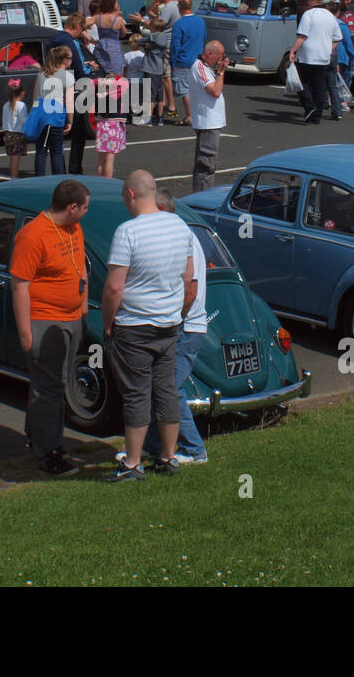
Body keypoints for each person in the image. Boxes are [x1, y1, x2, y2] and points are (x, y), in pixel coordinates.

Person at [102, 170, 195, 482]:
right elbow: (187, 278)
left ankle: (132, 462)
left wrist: (108, 323)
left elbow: (114, 288)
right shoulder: (179, 225)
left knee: (137, 394)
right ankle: (169, 457)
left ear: (130, 195)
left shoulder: (127, 232)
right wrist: (176, 311)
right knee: (166, 390)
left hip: (134, 325)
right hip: (169, 325)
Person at [10, 179, 91, 477]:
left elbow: (79, 262)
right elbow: (19, 285)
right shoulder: (33, 236)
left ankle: (37, 438)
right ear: (72, 207)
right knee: (51, 389)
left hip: (71, 318)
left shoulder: (74, 227)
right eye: (84, 207)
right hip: (45, 320)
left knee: (55, 384)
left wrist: (82, 304)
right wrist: (26, 333)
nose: (86, 212)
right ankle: (49, 452)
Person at [142, 188, 208, 465]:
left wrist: (172, 319)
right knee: (161, 387)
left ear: (162, 210)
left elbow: (189, 290)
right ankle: (154, 447)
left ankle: (194, 449)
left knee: (169, 388)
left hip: (186, 326)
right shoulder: (181, 234)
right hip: (185, 325)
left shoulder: (181, 238)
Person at [49, 15, 97, 174]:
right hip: (75, 89)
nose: (81, 33)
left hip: (55, 87)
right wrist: (91, 68)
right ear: (76, 27)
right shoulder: (72, 42)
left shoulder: (53, 39)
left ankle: (59, 169)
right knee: (79, 132)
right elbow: (80, 70)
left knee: (58, 134)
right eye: (82, 29)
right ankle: (75, 167)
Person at [288, 0, 340, 125]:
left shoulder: (308, 14)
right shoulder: (330, 16)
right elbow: (337, 38)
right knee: (319, 86)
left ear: (311, 0)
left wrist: (292, 51)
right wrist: (328, 49)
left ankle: (310, 106)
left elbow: (302, 35)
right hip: (323, 56)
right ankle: (317, 115)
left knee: (300, 82)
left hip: (307, 55)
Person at [189, 40, 228, 192]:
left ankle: (203, 194)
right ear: (209, 54)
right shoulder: (199, 67)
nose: (220, 60)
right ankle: (201, 197)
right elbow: (215, 91)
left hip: (211, 122)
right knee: (206, 165)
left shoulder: (205, 67)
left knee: (208, 164)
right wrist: (221, 72)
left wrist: (219, 71)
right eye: (219, 56)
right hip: (207, 122)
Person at [33, 44, 74, 176]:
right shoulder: (67, 76)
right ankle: (57, 179)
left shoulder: (42, 73)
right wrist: (70, 121)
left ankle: (39, 178)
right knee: (56, 151)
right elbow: (69, 101)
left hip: (40, 113)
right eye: (70, 58)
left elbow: (35, 95)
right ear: (64, 60)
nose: (71, 61)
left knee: (41, 150)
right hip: (54, 114)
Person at [168, 0, 204, 125]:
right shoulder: (200, 22)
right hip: (197, 60)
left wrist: (172, 62)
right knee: (195, 89)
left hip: (183, 61)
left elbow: (175, 46)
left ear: (179, 7)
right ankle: (196, 114)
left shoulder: (178, 24)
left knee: (184, 90)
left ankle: (190, 116)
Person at [94, 73, 128, 179]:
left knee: (101, 158)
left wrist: (104, 81)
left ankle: (100, 181)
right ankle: (108, 183)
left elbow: (93, 82)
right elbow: (125, 82)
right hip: (113, 126)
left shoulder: (100, 93)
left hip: (102, 125)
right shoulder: (117, 93)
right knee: (110, 158)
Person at [137, 17, 170, 125]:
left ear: (154, 28)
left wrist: (145, 45)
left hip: (150, 68)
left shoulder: (151, 37)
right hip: (159, 69)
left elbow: (139, 41)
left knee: (149, 95)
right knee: (159, 96)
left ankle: (149, 119)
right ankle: (160, 119)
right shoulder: (164, 37)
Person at [87, 0, 125, 75]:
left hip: (101, 48)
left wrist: (88, 37)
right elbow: (123, 34)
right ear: (113, 4)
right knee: (115, 77)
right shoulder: (119, 19)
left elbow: (83, 24)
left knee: (101, 75)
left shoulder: (98, 17)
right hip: (114, 50)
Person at [2, 80, 29, 178]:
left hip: (8, 134)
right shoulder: (21, 105)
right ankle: (13, 178)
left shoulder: (6, 105)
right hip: (17, 135)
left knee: (12, 157)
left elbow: (4, 121)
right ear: (22, 93)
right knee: (16, 158)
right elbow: (24, 120)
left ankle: (12, 176)